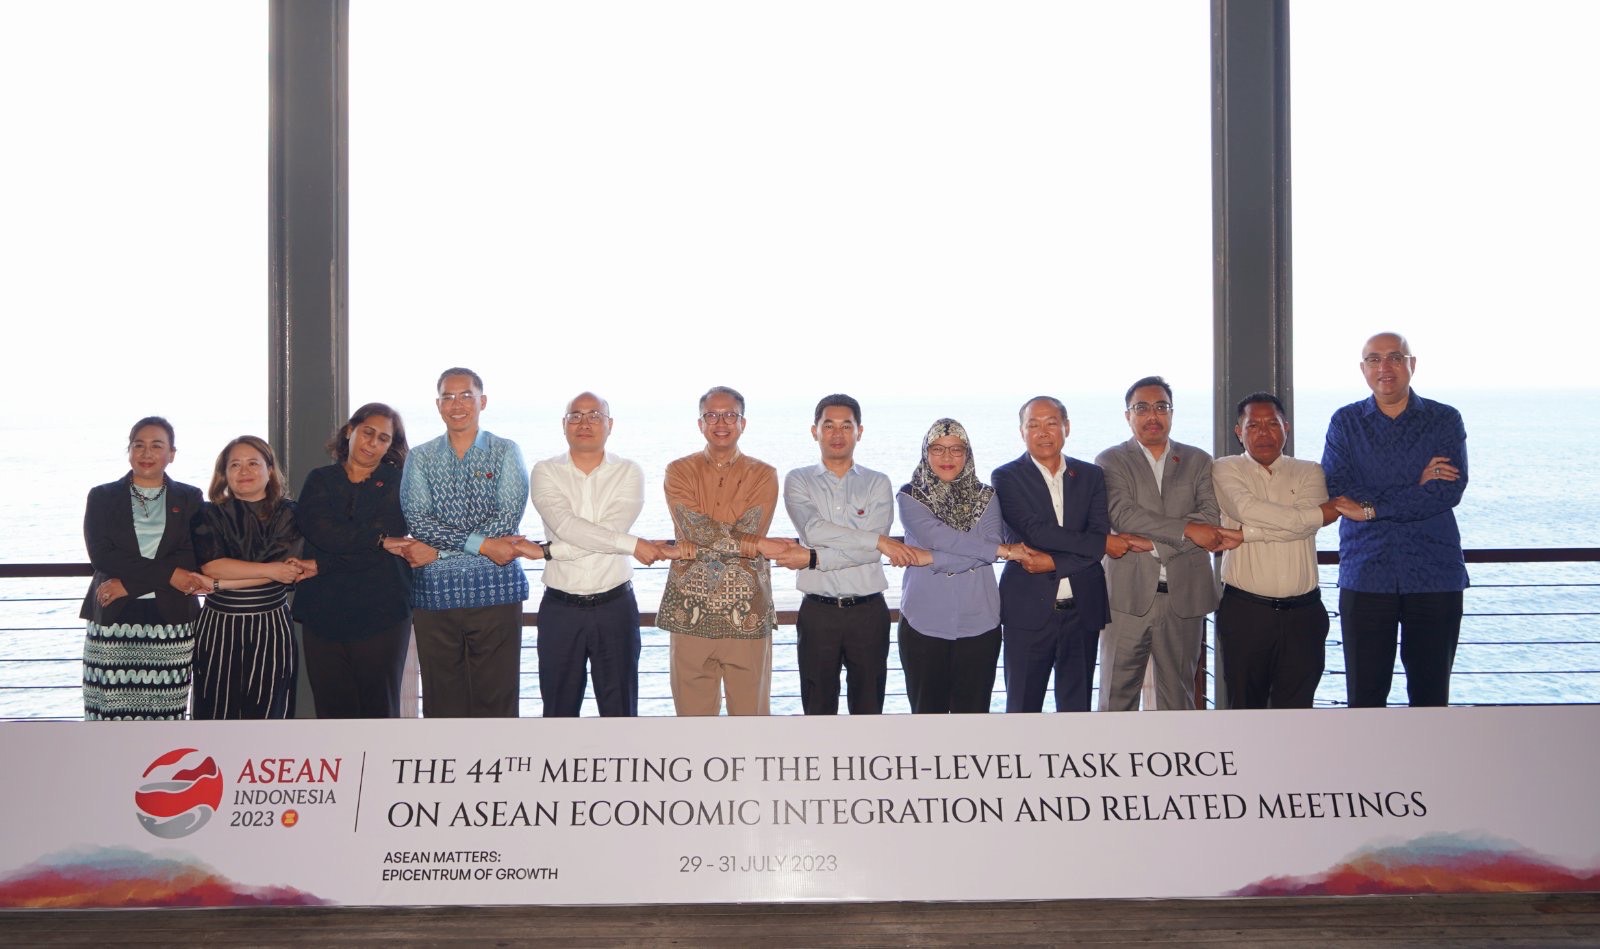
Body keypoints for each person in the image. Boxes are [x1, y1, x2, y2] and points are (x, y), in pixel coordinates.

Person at [1322, 332, 1468, 707]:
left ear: (1411, 364)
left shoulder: (1444, 419)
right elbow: (1338, 490)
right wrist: (1416, 485)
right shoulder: (1345, 422)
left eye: (1394, 357)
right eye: (1374, 359)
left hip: (1434, 575)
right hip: (1366, 574)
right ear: (1363, 369)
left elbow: (1446, 491)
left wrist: (1372, 507)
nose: (1384, 367)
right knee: (1365, 700)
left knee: (1430, 699)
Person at [658, 386, 798, 716]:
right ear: (700, 423)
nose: (721, 422)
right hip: (689, 610)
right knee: (692, 724)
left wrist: (748, 540)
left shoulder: (763, 474)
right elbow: (695, 527)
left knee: (752, 722)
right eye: (712, 415)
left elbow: (749, 527)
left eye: (730, 415)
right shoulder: (678, 471)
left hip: (747, 611)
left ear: (742, 423)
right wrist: (757, 545)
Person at [400, 367, 530, 718]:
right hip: (434, 597)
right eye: (448, 397)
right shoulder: (420, 457)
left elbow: (506, 519)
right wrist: (485, 546)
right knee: (442, 704)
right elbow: (418, 522)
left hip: (496, 592)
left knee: (498, 702)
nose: (457, 404)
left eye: (466, 395)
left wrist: (441, 552)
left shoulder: (505, 451)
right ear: (438, 404)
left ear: (482, 401)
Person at [1096, 376, 1226, 712]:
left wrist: (1156, 546)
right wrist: (1188, 529)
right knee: (1115, 698)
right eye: (1142, 408)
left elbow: (1209, 519)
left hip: (1184, 599)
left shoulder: (1198, 460)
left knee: (1179, 699)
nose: (1152, 415)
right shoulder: (1110, 460)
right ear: (1128, 415)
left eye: (1161, 407)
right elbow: (1123, 515)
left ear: (1171, 413)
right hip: (1125, 599)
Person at [523, 392, 656, 717]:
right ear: (564, 424)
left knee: (621, 712)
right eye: (576, 416)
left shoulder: (628, 471)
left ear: (610, 424)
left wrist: (548, 552)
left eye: (594, 415)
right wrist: (631, 544)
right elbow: (566, 525)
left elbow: (611, 531)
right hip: (560, 609)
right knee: (558, 712)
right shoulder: (545, 471)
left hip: (615, 608)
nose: (584, 423)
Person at [782, 394, 916, 715]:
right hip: (818, 613)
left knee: (869, 710)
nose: (837, 434)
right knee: (817, 711)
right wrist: (876, 541)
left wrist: (814, 559)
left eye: (846, 426)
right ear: (815, 431)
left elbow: (870, 554)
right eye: (828, 425)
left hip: (868, 613)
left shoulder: (877, 482)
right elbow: (813, 530)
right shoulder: (798, 479)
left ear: (860, 432)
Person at [1213, 392, 1339, 709]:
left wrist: (1246, 535)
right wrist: (1316, 515)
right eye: (1253, 425)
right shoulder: (1225, 469)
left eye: (1272, 424)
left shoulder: (1310, 471)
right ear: (1239, 432)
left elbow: (1305, 527)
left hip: (1305, 614)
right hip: (1245, 612)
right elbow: (1247, 509)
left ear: (1286, 427)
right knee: (1245, 708)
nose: (1264, 432)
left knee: (1298, 712)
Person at [80, 417, 210, 720]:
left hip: (171, 619)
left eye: (157, 445)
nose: (146, 453)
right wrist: (169, 574)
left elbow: (191, 555)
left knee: (166, 713)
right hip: (113, 618)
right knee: (109, 711)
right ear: (129, 451)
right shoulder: (102, 496)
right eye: (139, 445)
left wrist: (130, 585)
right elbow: (102, 556)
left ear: (171, 454)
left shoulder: (190, 497)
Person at [292, 403, 416, 718]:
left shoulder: (399, 482)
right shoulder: (319, 479)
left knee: (379, 712)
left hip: (382, 612)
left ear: (390, 446)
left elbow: (388, 540)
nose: (372, 443)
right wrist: (377, 540)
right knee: (332, 713)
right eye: (367, 433)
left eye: (383, 438)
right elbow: (321, 534)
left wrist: (323, 564)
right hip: (323, 613)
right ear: (350, 431)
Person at [992, 396, 1112, 713]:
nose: (1043, 432)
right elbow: (1036, 532)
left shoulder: (1091, 475)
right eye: (1033, 425)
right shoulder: (1006, 477)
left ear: (1066, 427)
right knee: (1022, 708)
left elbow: (1098, 535)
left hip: (1082, 610)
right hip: (1027, 611)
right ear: (1022, 432)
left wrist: (1054, 562)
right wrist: (1093, 544)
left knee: (1077, 710)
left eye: (1051, 423)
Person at [896, 419, 1025, 714]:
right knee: (927, 717)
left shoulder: (987, 496)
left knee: (974, 720)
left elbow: (986, 546)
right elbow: (939, 537)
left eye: (956, 449)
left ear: (967, 453)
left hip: (980, 623)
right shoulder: (910, 496)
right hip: (923, 622)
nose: (947, 457)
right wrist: (999, 551)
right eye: (937, 448)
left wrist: (931, 558)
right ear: (926, 452)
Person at [191, 435, 306, 719]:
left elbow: (287, 570)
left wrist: (218, 584)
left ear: (270, 470)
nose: (244, 471)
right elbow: (213, 566)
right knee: (215, 713)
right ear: (224, 473)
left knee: (269, 713)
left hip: (271, 624)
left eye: (253, 463)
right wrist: (268, 570)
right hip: (218, 626)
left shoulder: (289, 512)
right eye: (235, 465)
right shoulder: (208, 513)